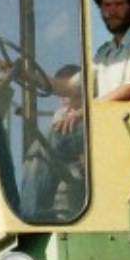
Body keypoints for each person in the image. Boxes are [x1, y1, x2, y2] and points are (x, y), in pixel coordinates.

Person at [19, 64, 85, 220]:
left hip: (84, 170)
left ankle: (31, 216)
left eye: (68, 94)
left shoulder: (85, 116)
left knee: (45, 146)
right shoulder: (61, 114)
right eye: (60, 95)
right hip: (67, 172)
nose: (63, 98)